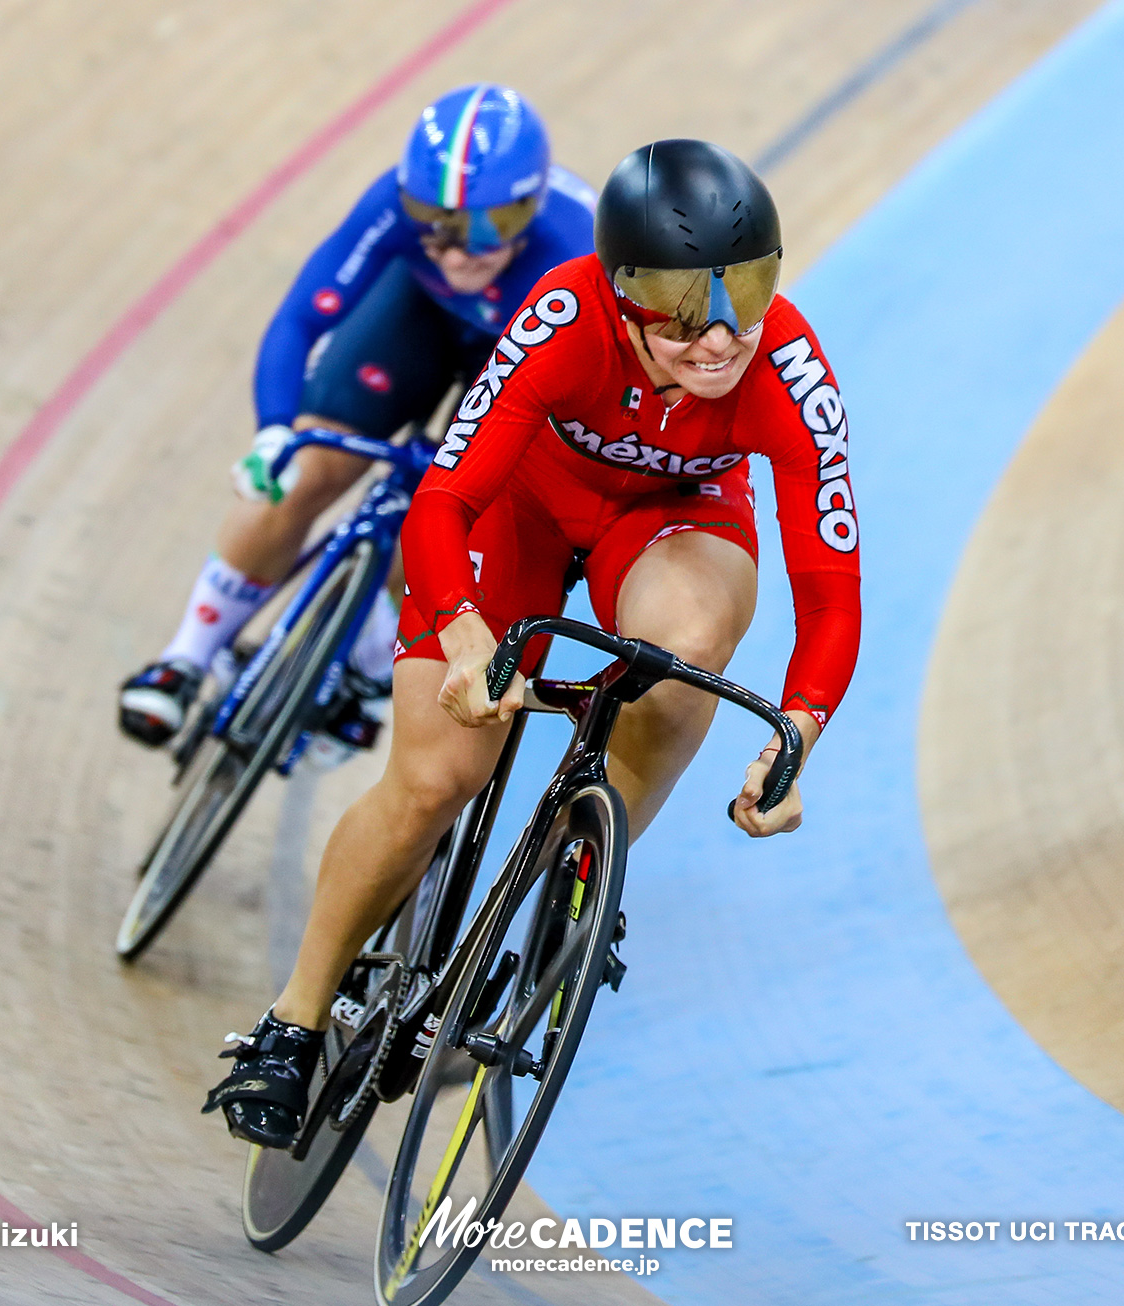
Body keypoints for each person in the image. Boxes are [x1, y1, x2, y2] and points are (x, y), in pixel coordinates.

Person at [204, 140, 862, 1147]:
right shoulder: (564, 313)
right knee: (435, 777)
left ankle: (581, 867)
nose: (721, 336)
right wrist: (465, 636)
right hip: (519, 507)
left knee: (682, 661)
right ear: (624, 289)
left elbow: (830, 591)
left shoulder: (788, 369)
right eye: (687, 308)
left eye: (750, 290)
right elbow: (445, 500)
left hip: (674, 520)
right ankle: (291, 1021)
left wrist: (799, 733)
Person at [118, 83, 595, 748]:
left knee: (447, 528)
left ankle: (365, 676)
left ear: (531, 207)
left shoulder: (577, 258)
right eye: (436, 222)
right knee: (305, 469)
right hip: (418, 315)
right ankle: (188, 656)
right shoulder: (395, 213)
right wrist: (275, 431)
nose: (458, 250)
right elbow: (301, 318)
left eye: (488, 228)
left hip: (515, 354)